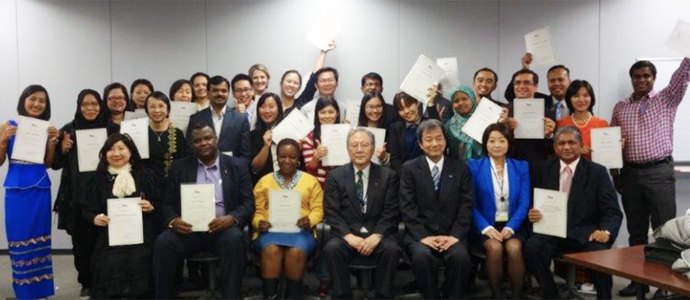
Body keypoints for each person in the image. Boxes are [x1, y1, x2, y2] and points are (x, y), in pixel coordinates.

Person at [612, 57, 690, 297]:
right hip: (630, 173)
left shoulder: (666, 98)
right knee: (636, 231)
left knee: (665, 231)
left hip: (659, 172)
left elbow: (681, 78)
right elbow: (611, 142)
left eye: (646, 76)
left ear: (653, 78)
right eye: (637, 76)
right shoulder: (620, 106)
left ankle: (664, 287)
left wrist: (687, 55)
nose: (642, 80)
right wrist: (615, 168)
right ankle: (639, 282)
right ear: (632, 79)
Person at [153, 124, 254, 299]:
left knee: (235, 239)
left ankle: (231, 296)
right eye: (197, 140)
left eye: (207, 138)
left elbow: (248, 203)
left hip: (222, 230)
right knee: (164, 242)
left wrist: (231, 218)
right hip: (189, 232)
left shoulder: (237, 166)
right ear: (192, 145)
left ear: (216, 139)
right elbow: (166, 203)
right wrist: (173, 220)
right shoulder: (179, 167)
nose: (203, 143)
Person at [524, 126, 622, 300]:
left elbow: (613, 211)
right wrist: (531, 214)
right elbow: (529, 202)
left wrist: (605, 231)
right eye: (561, 143)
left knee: (601, 251)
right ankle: (551, 294)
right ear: (555, 147)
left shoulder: (597, 172)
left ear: (581, 145)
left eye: (572, 142)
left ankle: (605, 297)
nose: (566, 147)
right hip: (551, 232)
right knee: (532, 247)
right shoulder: (540, 169)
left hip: (585, 233)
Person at [52, 89, 120, 298]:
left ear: (101, 105)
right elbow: (55, 164)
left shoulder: (112, 129)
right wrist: (62, 149)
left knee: (107, 241)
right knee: (82, 244)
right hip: (77, 198)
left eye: (94, 104)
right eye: (85, 104)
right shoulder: (69, 130)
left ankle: (107, 280)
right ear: (79, 106)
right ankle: (87, 281)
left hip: (106, 194)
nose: (90, 108)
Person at [400, 119, 473, 299]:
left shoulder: (460, 168)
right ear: (420, 144)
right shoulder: (409, 169)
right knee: (422, 258)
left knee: (461, 258)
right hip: (421, 234)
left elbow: (466, 205)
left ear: (446, 141)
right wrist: (423, 236)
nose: (434, 144)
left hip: (451, 233)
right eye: (429, 139)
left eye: (439, 138)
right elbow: (407, 207)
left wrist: (454, 236)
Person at [324, 128, 401, 300]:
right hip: (348, 234)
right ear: (347, 149)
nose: (359, 149)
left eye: (365, 145)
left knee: (392, 249)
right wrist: (348, 236)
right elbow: (332, 212)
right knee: (332, 248)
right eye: (354, 145)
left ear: (373, 149)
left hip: (377, 233)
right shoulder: (335, 176)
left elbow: (392, 211)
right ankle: (343, 296)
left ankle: (383, 296)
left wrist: (377, 235)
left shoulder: (388, 176)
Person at [82, 133, 161, 299]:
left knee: (141, 260)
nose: (116, 153)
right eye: (110, 149)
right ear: (104, 154)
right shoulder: (96, 179)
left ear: (131, 152)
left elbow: (161, 204)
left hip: (142, 235)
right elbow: (86, 210)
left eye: (121, 148)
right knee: (109, 263)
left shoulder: (145, 175)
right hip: (109, 236)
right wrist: (95, 218)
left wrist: (151, 207)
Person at [0, 85, 58, 299]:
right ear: (24, 100)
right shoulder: (8, 125)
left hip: (41, 189)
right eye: (32, 99)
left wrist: (53, 144)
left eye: (42, 101)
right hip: (16, 191)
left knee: (41, 241)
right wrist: (3, 140)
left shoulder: (46, 128)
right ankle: (24, 293)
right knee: (19, 240)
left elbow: (49, 163)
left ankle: (41, 292)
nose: (37, 104)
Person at [253, 138, 324, 300]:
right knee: (272, 250)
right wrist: (259, 222)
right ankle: (270, 296)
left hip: (301, 232)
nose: (287, 160)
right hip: (270, 231)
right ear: (276, 158)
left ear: (298, 158)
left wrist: (310, 220)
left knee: (295, 252)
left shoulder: (310, 181)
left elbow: (318, 210)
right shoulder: (264, 181)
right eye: (283, 156)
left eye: (292, 156)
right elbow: (256, 211)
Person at [468, 123, 530, 299]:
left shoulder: (521, 167)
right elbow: (470, 203)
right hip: (484, 225)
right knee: (494, 248)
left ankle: (517, 296)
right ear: (485, 143)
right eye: (492, 140)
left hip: (513, 224)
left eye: (502, 140)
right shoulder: (473, 166)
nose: (497, 145)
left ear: (509, 143)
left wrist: (511, 227)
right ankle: (498, 295)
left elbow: (524, 203)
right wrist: (486, 228)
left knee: (514, 247)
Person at [187, 75, 251, 160]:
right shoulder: (195, 119)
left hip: (233, 170)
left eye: (224, 91)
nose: (220, 94)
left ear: (228, 93)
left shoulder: (240, 118)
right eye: (215, 90)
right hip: (204, 169)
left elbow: (245, 154)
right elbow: (191, 150)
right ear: (208, 93)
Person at [505, 69, 556, 164]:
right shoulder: (503, 111)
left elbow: (552, 151)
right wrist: (504, 127)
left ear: (535, 87)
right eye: (517, 83)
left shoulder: (548, 114)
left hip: (537, 166)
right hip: (509, 165)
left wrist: (549, 135)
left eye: (527, 83)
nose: (521, 86)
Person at [504, 53, 571, 122]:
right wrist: (524, 70)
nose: (556, 84)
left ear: (569, 81)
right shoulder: (538, 99)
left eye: (560, 80)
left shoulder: (576, 103)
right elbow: (511, 94)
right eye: (552, 80)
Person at [280, 40, 337, 116]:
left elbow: (314, 76)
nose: (291, 85)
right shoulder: (272, 106)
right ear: (281, 83)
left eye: (295, 83)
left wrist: (323, 52)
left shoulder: (302, 103)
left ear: (299, 87)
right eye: (288, 81)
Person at [556, 80, 609, 160]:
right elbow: (556, 152)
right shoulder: (561, 123)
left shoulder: (602, 124)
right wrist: (577, 151)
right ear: (569, 99)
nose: (581, 100)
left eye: (585, 95)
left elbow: (607, 153)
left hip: (596, 170)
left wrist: (616, 146)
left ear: (591, 98)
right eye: (576, 96)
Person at [142, 91, 190, 178]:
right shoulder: (142, 133)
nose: (157, 110)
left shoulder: (177, 134)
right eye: (152, 107)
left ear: (168, 110)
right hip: (148, 184)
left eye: (161, 106)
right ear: (147, 110)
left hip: (174, 183)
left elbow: (185, 161)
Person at [302, 97, 341, 188]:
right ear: (317, 114)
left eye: (331, 112)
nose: (327, 116)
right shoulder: (309, 138)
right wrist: (316, 156)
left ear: (337, 113)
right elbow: (309, 172)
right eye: (322, 112)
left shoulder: (346, 134)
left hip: (340, 186)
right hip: (318, 187)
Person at [387, 92, 425, 174]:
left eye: (409, 106)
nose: (406, 111)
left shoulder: (429, 123)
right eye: (401, 109)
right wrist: (406, 177)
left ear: (417, 103)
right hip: (405, 177)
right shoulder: (395, 128)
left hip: (428, 175)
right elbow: (395, 158)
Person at [250, 93, 284, 182]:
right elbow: (255, 168)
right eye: (263, 107)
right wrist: (266, 146)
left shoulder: (287, 131)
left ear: (279, 109)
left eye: (271, 106)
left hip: (287, 183)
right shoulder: (252, 135)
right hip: (263, 184)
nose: (267, 111)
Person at [442, 85, 482, 161]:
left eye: (464, 99)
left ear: (472, 99)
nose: (460, 103)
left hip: (482, 168)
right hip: (457, 169)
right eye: (456, 101)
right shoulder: (449, 126)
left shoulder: (484, 120)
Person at [356, 92, 389, 165]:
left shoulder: (391, 131)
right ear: (363, 108)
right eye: (370, 107)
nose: (375, 111)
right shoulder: (355, 132)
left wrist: (384, 157)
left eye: (378, 106)